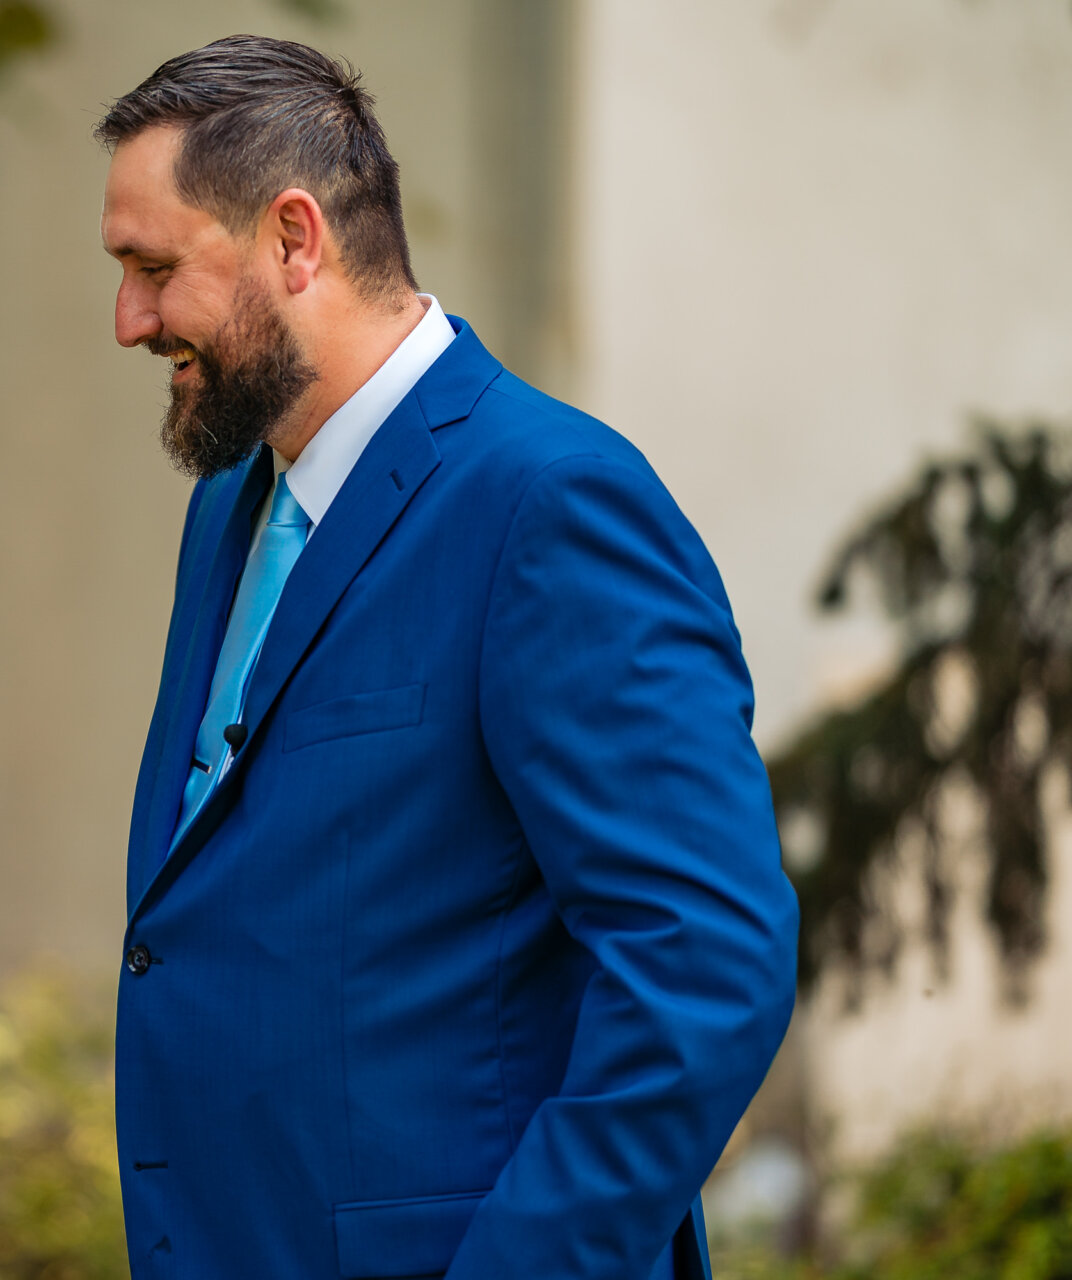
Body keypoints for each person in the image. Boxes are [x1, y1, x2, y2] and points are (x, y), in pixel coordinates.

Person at [99, 37, 798, 1280]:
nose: (129, 320)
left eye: (156, 268)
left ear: (294, 239)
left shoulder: (552, 502)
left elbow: (703, 963)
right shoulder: (232, 504)